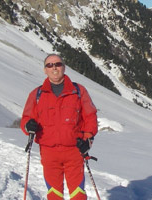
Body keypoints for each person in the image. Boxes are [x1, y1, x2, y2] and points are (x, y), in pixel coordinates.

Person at [20, 54, 98, 200]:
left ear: (64, 67)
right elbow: (26, 119)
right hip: (49, 153)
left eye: (57, 64)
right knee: (54, 194)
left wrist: (87, 139)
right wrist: (28, 125)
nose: (54, 68)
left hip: (74, 151)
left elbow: (90, 116)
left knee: (78, 195)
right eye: (50, 65)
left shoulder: (78, 91)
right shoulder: (36, 94)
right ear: (45, 70)